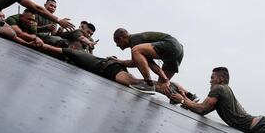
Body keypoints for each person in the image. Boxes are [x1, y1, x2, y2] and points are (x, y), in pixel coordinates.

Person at [40, 44, 198, 101]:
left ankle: (175, 94)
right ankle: (184, 92)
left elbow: (52, 49)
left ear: (73, 48)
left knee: (137, 83)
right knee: (138, 81)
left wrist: (30, 41)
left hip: (109, 69)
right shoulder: (87, 54)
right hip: (113, 67)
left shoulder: (74, 52)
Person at [113, 28, 183, 95]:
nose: (117, 45)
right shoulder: (142, 50)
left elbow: (139, 62)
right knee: (162, 86)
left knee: (135, 50)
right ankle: (185, 96)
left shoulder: (134, 39)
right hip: (178, 51)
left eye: (116, 42)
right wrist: (165, 80)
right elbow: (138, 62)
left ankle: (148, 84)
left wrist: (117, 61)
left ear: (120, 38)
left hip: (170, 44)